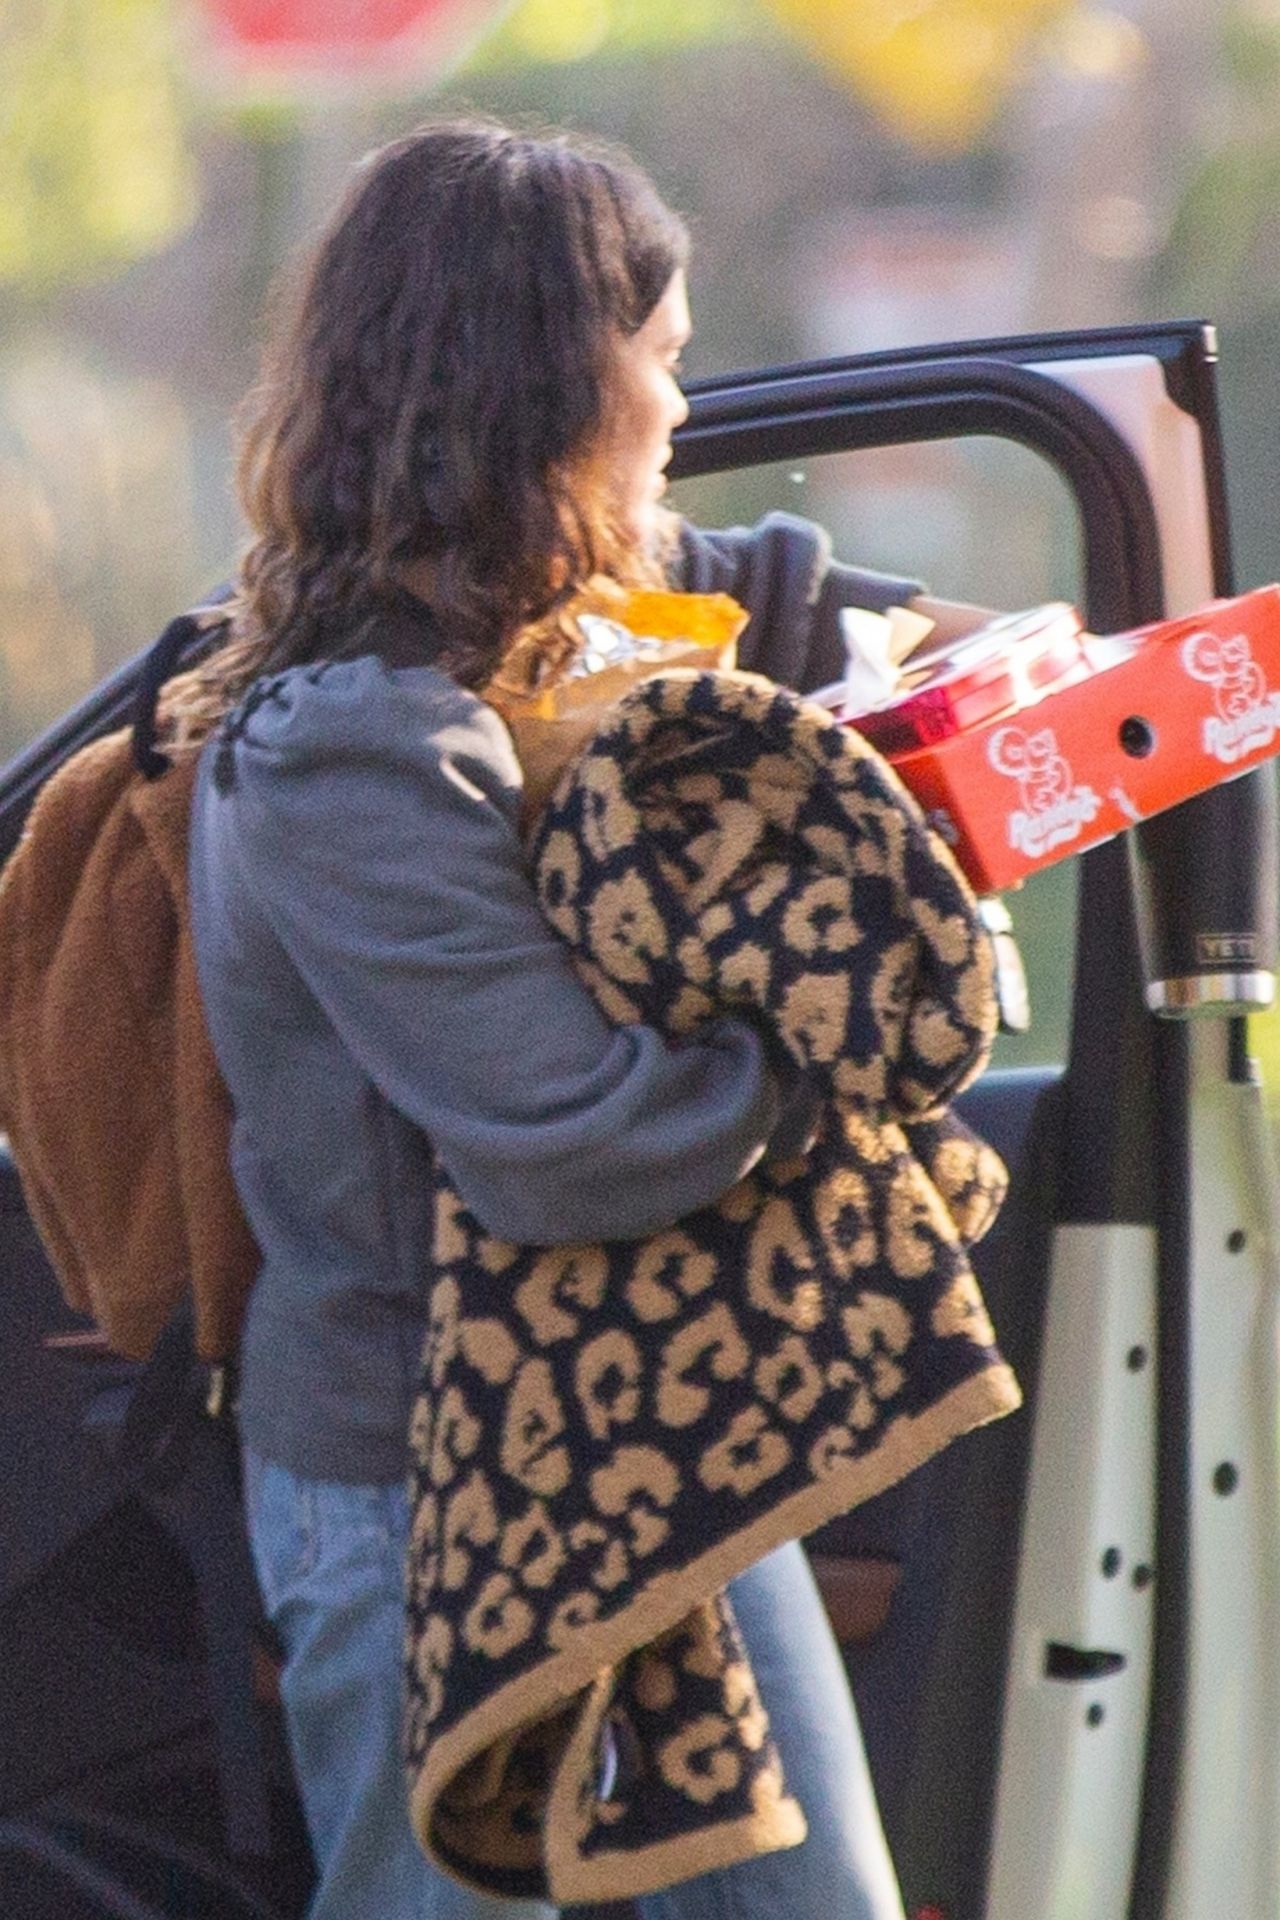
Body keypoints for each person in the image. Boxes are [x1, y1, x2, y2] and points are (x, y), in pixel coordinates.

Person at [182, 119, 978, 1920]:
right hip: (417, 1486)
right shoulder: (350, 747)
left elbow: (774, 593)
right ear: (553, 378)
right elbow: (579, 1146)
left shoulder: (571, 635)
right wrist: (834, 1031)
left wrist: (1053, 684)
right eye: (667, 360)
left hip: (660, 1433)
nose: (683, 408)